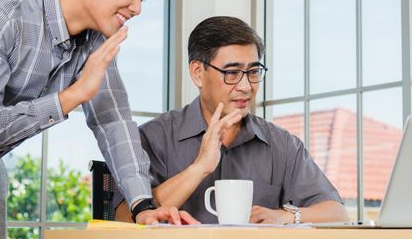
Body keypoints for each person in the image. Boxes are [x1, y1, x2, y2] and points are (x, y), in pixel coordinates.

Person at [0, 0, 196, 239]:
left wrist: (142, 205)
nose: (137, 8)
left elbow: (113, 121)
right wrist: (71, 97)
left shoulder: (96, 41)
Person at [115, 16, 348, 224]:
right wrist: (199, 169)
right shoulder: (154, 137)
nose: (246, 86)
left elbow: (337, 213)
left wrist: (287, 216)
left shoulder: (283, 145)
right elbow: (124, 217)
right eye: (232, 73)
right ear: (198, 72)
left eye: (254, 72)